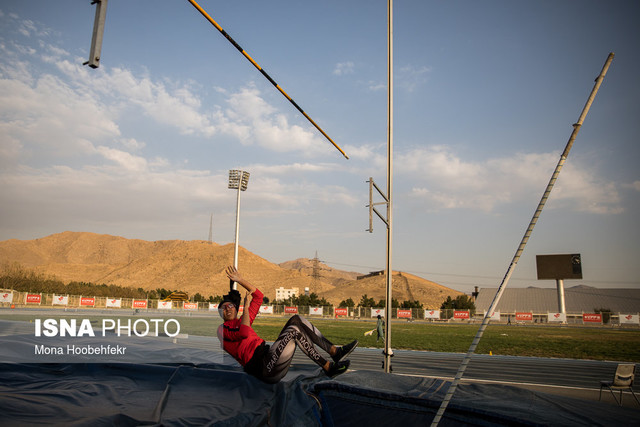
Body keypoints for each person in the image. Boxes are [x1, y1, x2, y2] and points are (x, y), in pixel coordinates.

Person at [218, 266, 358, 384]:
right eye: (223, 308)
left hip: (270, 357)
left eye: (230, 305)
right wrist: (246, 308)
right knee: (293, 331)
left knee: (296, 319)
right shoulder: (222, 329)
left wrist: (240, 280)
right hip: (264, 369)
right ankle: (328, 367)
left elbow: (259, 296)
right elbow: (244, 333)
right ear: (220, 313)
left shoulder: (243, 320)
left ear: (235, 308)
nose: (227, 308)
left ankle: (334, 351)